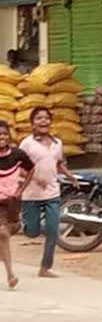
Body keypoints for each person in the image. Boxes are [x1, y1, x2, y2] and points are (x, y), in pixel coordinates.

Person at [19, 106, 79, 278]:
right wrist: (36, 178)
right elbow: (20, 167)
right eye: (39, 118)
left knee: (53, 230)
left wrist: (71, 177)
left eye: (46, 118)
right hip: (31, 194)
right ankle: (26, 224)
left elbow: (58, 164)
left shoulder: (57, 143)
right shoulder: (27, 144)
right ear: (32, 123)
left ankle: (45, 267)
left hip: (52, 192)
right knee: (32, 232)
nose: (43, 121)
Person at [0, 120, 35, 288]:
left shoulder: (17, 155)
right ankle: (10, 275)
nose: (2, 137)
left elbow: (31, 169)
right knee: (3, 234)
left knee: (13, 229)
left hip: (12, 202)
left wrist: (21, 190)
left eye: (5, 134)